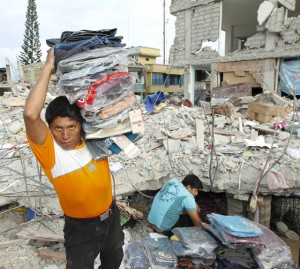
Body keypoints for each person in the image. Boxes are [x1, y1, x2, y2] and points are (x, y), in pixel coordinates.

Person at [23, 47, 124, 269]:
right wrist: (48, 68)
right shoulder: (51, 154)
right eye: (57, 128)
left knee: (114, 261)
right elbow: (31, 114)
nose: (65, 135)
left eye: (71, 127)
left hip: (112, 216)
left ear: (81, 125)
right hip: (81, 229)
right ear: (49, 129)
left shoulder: (95, 137)